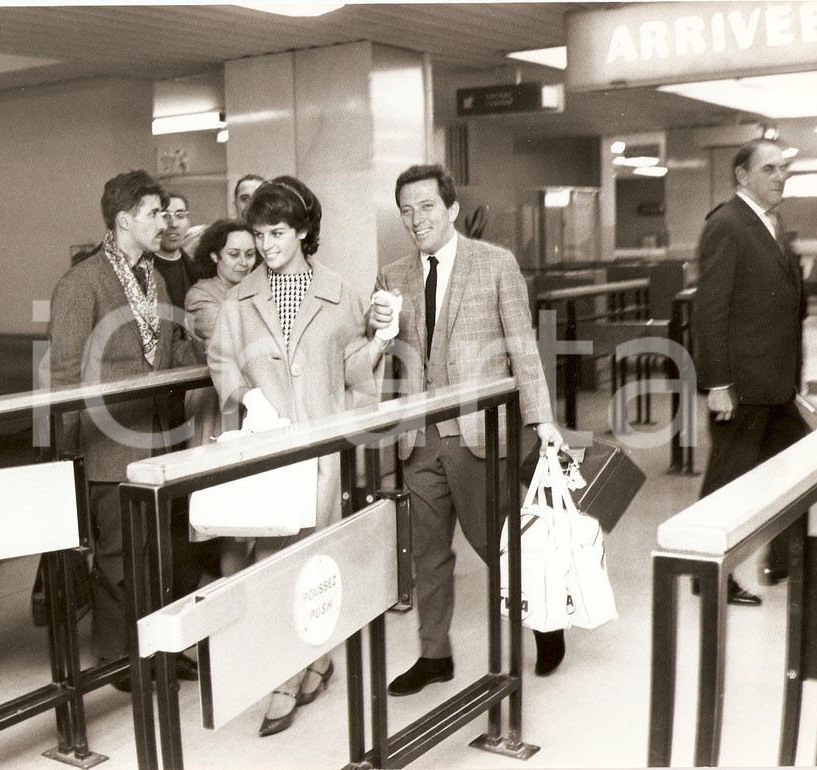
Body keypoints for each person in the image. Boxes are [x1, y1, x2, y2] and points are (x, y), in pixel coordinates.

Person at [367, 164, 565, 697]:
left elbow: (524, 349)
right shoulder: (392, 275)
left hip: (478, 434)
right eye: (406, 210)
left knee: (499, 545)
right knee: (427, 554)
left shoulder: (495, 264)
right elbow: (386, 357)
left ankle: (545, 623)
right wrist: (378, 331)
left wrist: (542, 421)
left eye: (426, 206)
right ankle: (435, 654)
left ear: (451, 209)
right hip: (419, 439)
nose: (416, 219)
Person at [208, 176, 386, 736]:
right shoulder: (239, 299)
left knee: (316, 559)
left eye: (277, 233)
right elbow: (221, 359)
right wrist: (247, 394)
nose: (265, 246)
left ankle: (315, 659)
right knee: (271, 562)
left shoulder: (339, 293)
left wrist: (380, 339)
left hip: (322, 452)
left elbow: (356, 369)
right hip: (268, 451)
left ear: (304, 230)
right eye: (259, 234)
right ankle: (288, 677)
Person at [47, 170, 199, 691]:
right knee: (116, 560)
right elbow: (64, 377)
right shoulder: (80, 282)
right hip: (106, 445)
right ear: (125, 219)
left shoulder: (152, 278)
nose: (164, 223)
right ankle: (120, 659)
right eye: (156, 213)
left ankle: (155, 646)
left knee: (156, 551)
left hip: (156, 436)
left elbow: (165, 348)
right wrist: (70, 462)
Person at [693, 138, 809, 604]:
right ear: (743, 175)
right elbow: (711, 310)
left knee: (796, 471)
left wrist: (791, 381)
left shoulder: (771, 223)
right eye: (769, 169)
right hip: (742, 387)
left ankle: (782, 561)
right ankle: (707, 575)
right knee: (728, 483)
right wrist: (718, 383)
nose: (780, 176)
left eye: (783, 168)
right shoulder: (727, 225)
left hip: (775, 384)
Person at [183, 218, 256, 449]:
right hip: (213, 404)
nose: (244, 263)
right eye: (234, 254)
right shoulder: (200, 295)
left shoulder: (256, 291)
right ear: (215, 256)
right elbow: (232, 338)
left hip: (249, 397)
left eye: (250, 254)